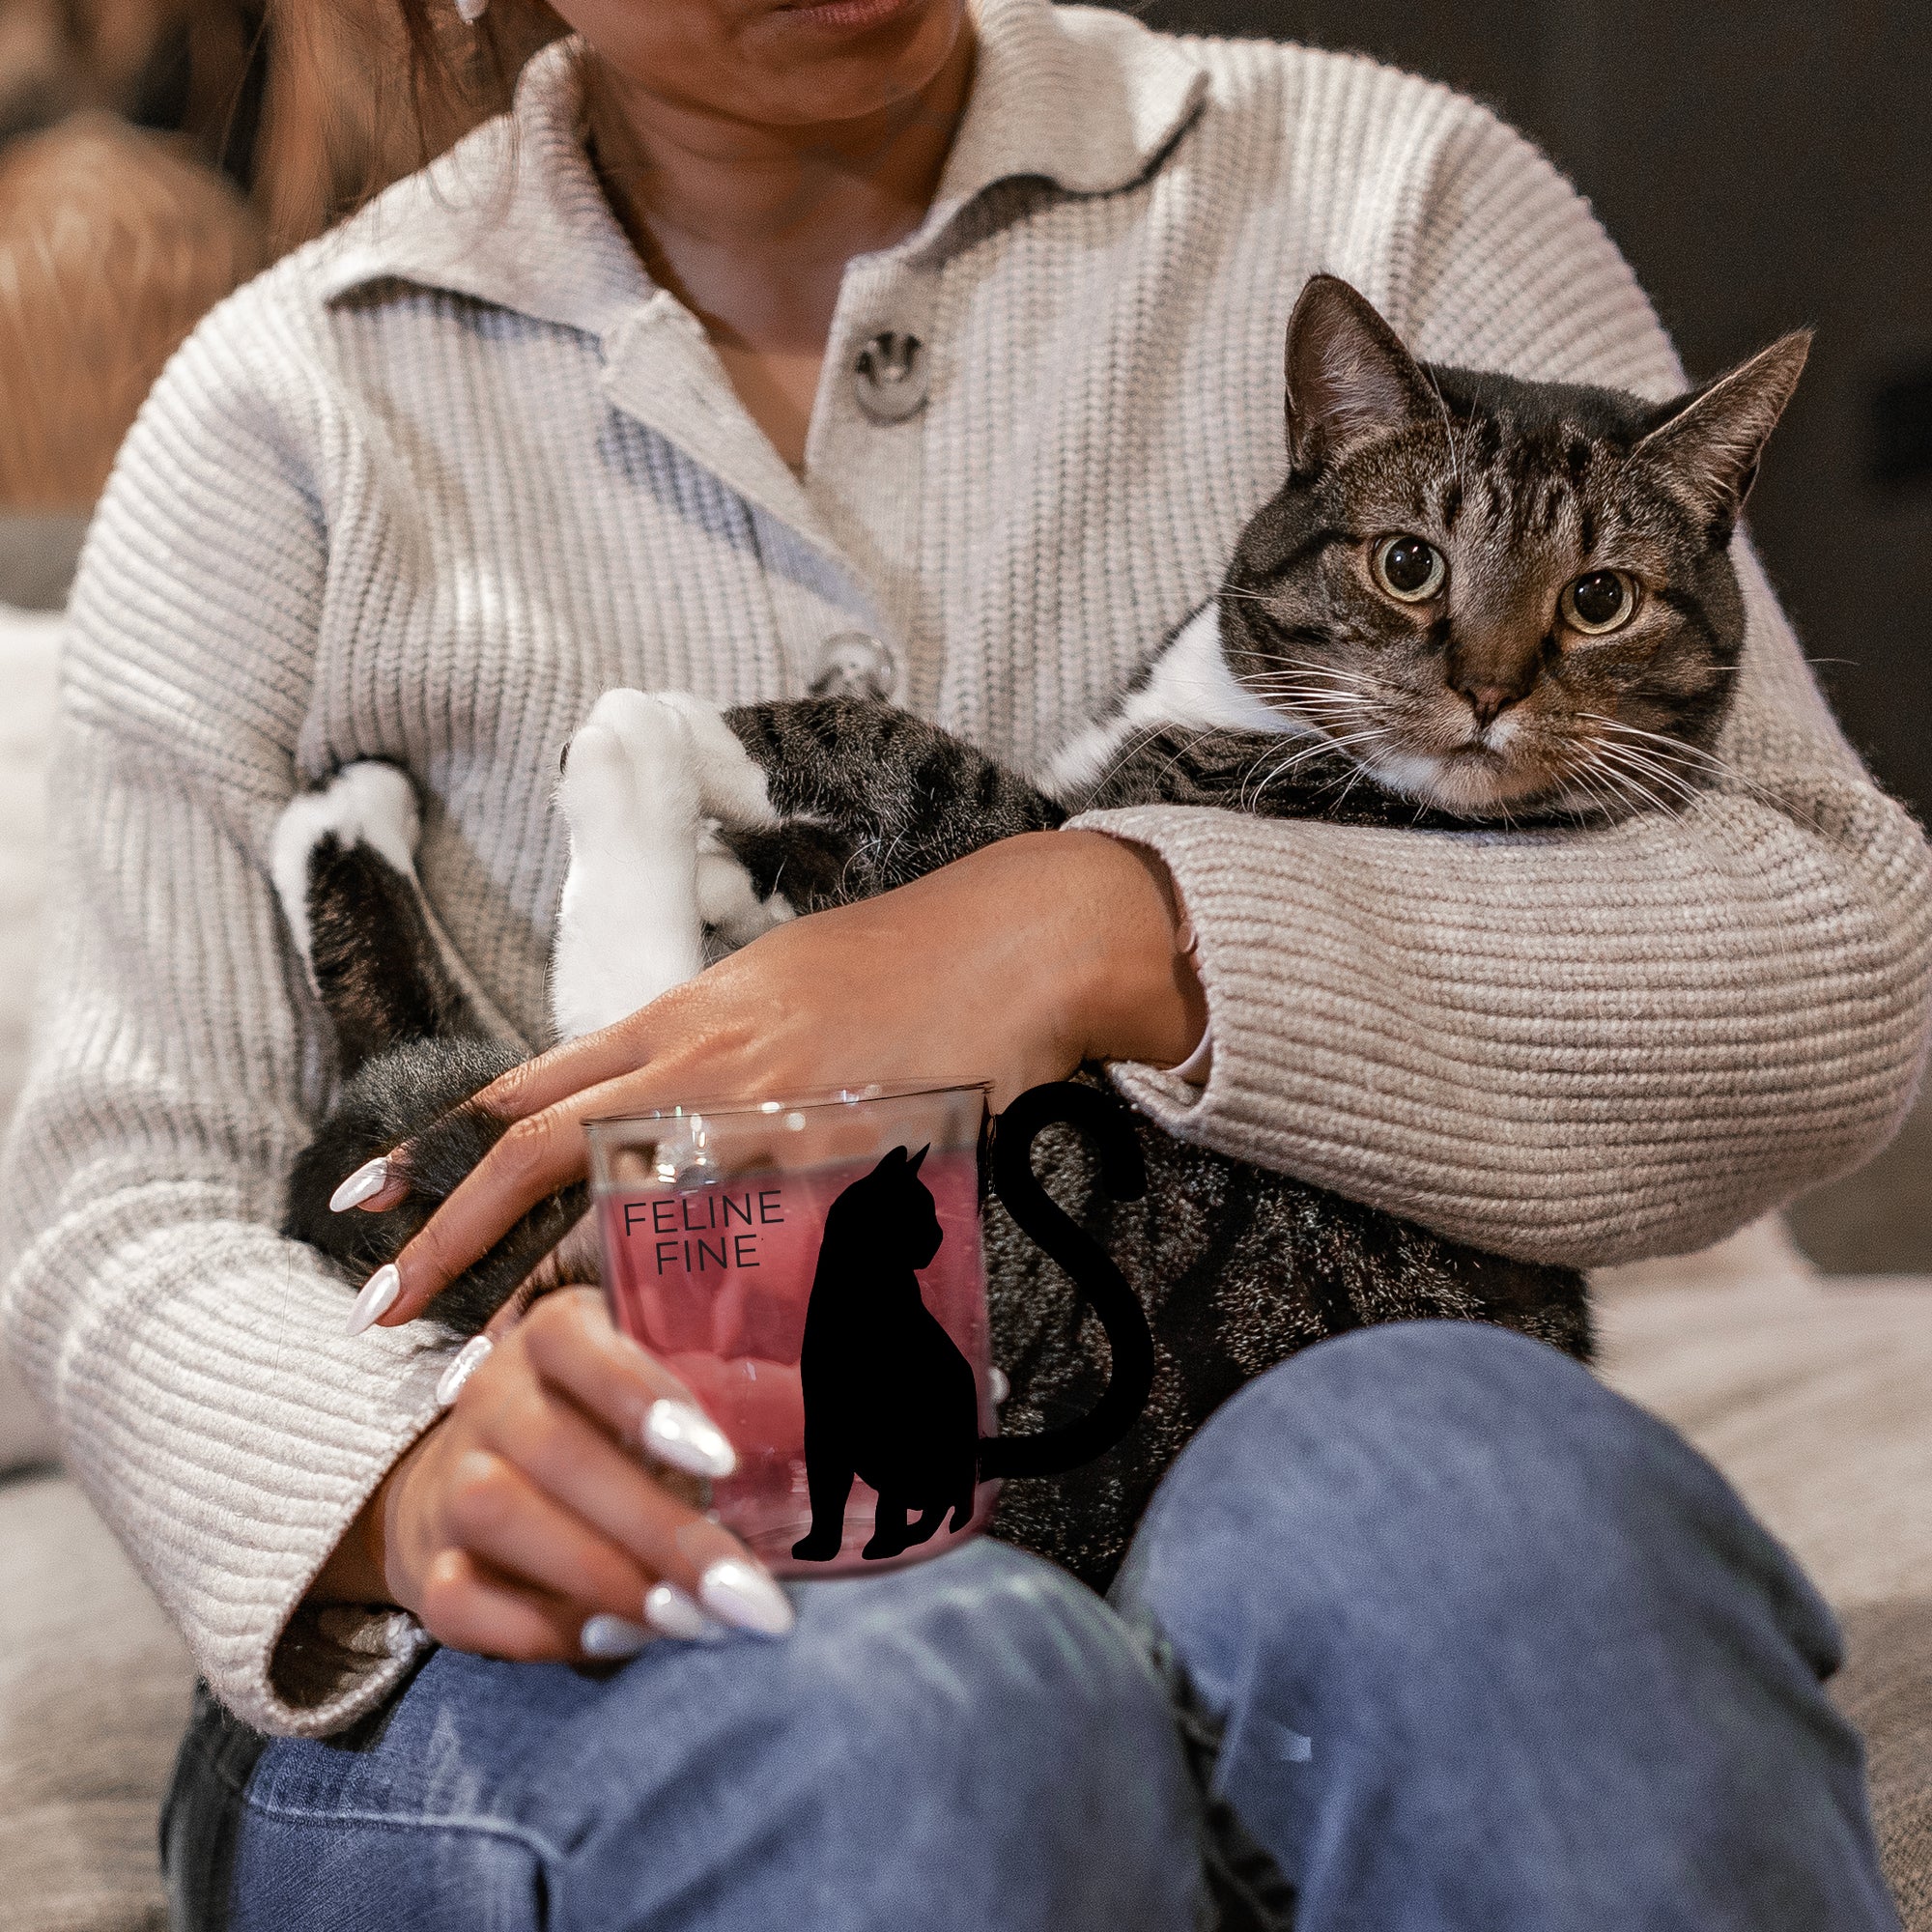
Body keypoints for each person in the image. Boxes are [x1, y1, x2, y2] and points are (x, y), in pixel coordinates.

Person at [2, 0, 1925, 1924]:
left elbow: (1830, 949)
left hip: (1275, 1418)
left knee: (1493, 1529)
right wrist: (396, 1475)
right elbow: (116, 1201)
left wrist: (1111, 925)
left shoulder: (1390, 190)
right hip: (592, 1561)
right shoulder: (286, 408)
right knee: (933, 1715)